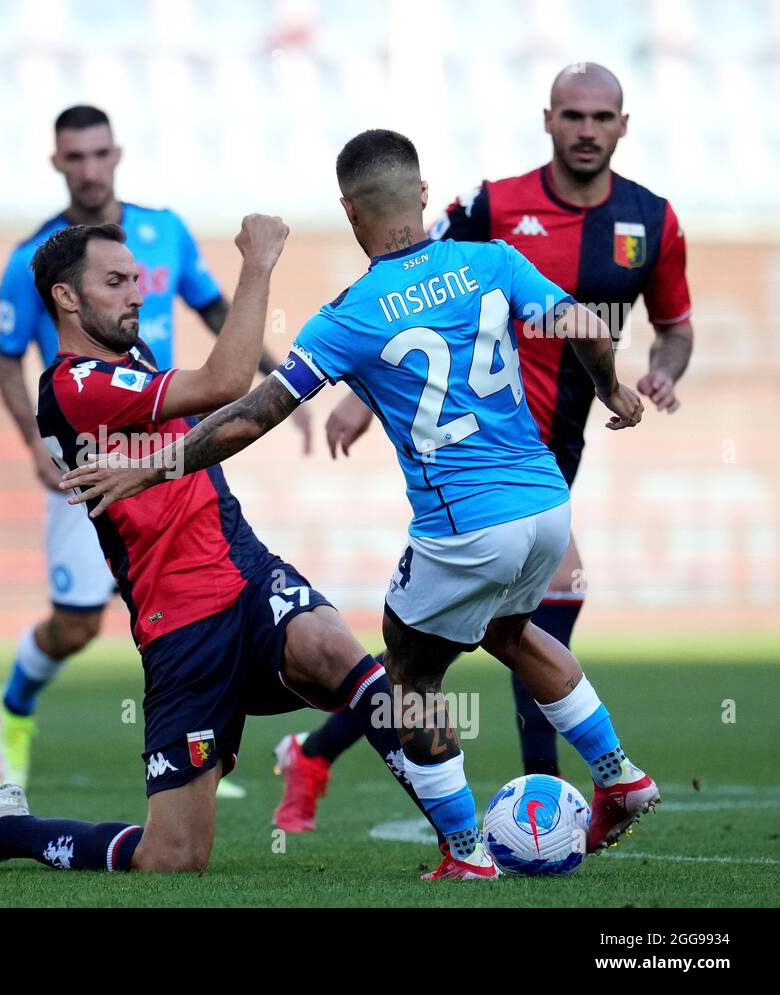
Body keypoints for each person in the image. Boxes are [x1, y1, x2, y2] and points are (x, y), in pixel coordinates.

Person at [62, 130, 660, 879]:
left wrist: (162, 462)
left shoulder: (349, 315)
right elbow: (584, 325)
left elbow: (255, 412)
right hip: (547, 503)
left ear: (350, 212)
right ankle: (621, 775)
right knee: (509, 632)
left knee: (407, 676)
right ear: (419, 193)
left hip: (466, 522)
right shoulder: (492, 259)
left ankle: (467, 854)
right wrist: (611, 386)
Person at [0, 216, 426, 874]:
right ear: (67, 298)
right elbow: (225, 382)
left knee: (346, 655)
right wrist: (258, 263)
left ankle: (464, 844)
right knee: (171, 858)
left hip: (247, 576)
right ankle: (6, 830)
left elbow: (218, 416)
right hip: (179, 628)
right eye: (116, 282)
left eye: (138, 279)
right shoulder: (74, 389)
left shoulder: (129, 362)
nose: (138, 294)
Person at [275, 63, 693, 832]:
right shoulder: (494, 211)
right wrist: (362, 400)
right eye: (573, 114)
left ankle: (489, 818)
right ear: (549, 120)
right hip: (508, 460)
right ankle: (578, 791)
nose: (588, 129)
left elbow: (675, 326)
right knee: (519, 622)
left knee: (437, 648)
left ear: (623, 125)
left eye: (603, 116)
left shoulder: (653, 221)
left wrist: (661, 371)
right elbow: (412, 304)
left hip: (535, 458)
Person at [0, 104, 310, 793]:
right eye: (75, 157)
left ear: (116, 154)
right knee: (77, 625)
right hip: (94, 446)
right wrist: (37, 446)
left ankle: (198, 735)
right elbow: (5, 356)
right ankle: (13, 707)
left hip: (165, 438)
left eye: (99, 153)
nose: (89, 168)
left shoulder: (162, 233)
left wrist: (276, 376)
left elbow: (217, 309)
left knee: (201, 585)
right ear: (57, 164)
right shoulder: (32, 260)